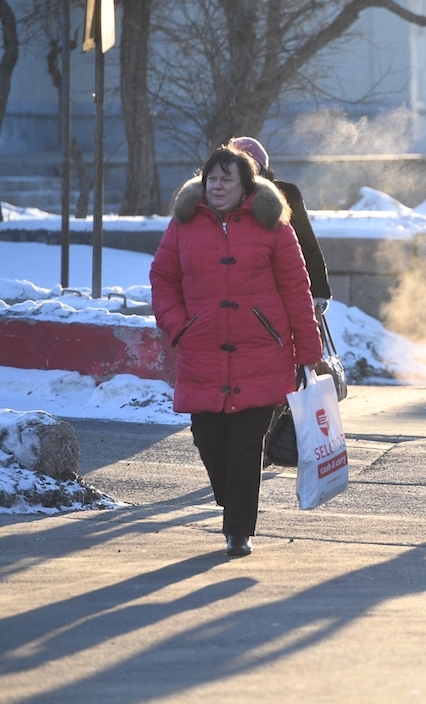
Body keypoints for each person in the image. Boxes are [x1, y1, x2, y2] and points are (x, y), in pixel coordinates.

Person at [150, 146, 324, 556]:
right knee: (208, 438)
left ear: (246, 185)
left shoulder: (274, 225)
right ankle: (233, 499)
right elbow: (162, 278)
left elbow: (297, 290)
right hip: (202, 351)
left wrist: (307, 352)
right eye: (212, 178)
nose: (218, 185)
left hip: (262, 352)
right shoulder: (184, 224)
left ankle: (239, 531)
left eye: (227, 178)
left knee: (247, 444)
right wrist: (179, 326)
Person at [229, 137, 332, 310]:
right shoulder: (223, 197)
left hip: (280, 288)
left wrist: (319, 290)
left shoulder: (285, 194)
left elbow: (306, 242)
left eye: (249, 164)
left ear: (261, 167)